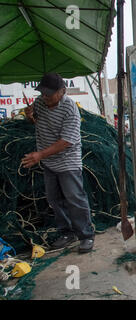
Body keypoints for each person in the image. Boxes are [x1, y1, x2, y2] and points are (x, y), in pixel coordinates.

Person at [21, 73, 95, 253]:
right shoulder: (40, 102)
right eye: (42, 93)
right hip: (49, 162)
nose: (44, 96)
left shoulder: (70, 109)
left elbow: (66, 141)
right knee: (54, 199)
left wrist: (39, 155)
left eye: (49, 93)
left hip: (68, 161)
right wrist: (30, 116)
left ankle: (86, 235)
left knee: (74, 198)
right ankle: (66, 233)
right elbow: (38, 122)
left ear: (62, 91)